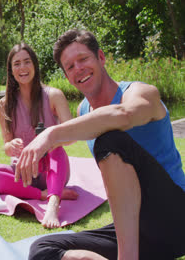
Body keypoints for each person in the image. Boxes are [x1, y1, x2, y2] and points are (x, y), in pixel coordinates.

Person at [23, 29, 185, 260]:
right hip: (140, 232)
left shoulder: (141, 92)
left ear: (101, 57)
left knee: (109, 139)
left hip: (175, 219)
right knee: (43, 250)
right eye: (70, 67)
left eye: (83, 59)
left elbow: (124, 115)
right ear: (67, 76)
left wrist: (50, 135)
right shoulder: (83, 110)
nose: (78, 68)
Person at [0, 42, 78, 229]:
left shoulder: (54, 95)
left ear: (34, 65)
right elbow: (7, 147)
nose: (22, 68)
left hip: (52, 170)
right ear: (11, 70)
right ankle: (41, 194)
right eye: (17, 64)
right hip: (23, 174)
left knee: (55, 145)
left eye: (27, 62)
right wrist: (11, 146)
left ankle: (53, 204)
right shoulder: (4, 104)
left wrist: (47, 140)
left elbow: (72, 136)